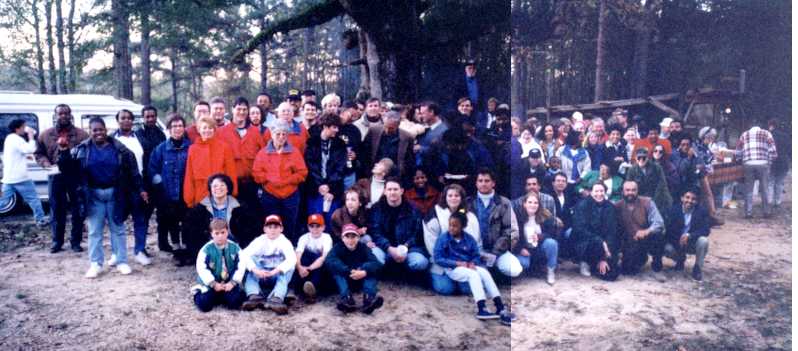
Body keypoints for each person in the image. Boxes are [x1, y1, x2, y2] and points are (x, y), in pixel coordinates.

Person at [59, 117, 142, 278]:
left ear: (106, 130)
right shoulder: (82, 149)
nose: (98, 133)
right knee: (94, 231)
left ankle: (122, 261)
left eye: (101, 129)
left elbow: (132, 170)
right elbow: (67, 169)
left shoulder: (119, 148)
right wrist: (63, 151)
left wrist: (139, 189)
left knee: (117, 229)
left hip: (115, 194)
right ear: (90, 132)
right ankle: (96, 263)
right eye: (94, 130)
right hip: (93, 196)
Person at [433, 212, 511, 323]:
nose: (451, 228)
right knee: (473, 275)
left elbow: (475, 255)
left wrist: (473, 263)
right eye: (450, 225)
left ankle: (500, 307)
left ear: (463, 227)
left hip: (468, 266)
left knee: (484, 272)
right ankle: (481, 308)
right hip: (453, 268)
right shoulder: (443, 238)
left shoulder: (469, 239)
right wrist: (457, 263)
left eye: (455, 226)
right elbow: (438, 258)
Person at [35, 104, 89, 253]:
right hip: (55, 176)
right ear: (55, 116)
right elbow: (39, 153)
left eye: (66, 113)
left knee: (78, 210)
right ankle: (57, 242)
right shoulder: (45, 135)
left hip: (75, 176)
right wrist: (45, 163)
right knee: (57, 209)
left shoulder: (82, 135)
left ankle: (76, 242)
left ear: (70, 115)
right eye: (60, 114)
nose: (63, 116)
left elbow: (87, 154)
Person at [181, 174, 258, 266]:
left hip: (235, 245)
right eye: (215, 186)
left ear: (228, 188)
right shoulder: (200, 208)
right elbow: (191, 233)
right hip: (210, 246)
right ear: (210, 189)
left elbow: (251, 231)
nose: (218, 188)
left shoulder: (241, 207)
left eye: (222, 185)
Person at [252, 120, 308, 243]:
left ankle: (289, 249)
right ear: (271, 134)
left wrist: (288, 180)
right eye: (278, 134)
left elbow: (302, 172)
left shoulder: (294, 152)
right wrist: (269, 179)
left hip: (290, 195)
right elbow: (256, 173)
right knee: (271, 224)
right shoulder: (263, 153)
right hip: (270, 195)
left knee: (289, 225)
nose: (281, 137)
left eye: (284, 134)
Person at [112, 109, 154, 266]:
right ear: (118, 120)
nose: (126, 121)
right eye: (123, 118)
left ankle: (140, 251)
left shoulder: (140, 138)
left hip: (139, 185)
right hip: (119, 185)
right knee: (117, 220)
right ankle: (117, 253)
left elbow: (148, 159)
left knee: (140, 219)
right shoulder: (111, 139)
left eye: (129, 118)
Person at [423, 184, 481, 295]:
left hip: (464, 262)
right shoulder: (434, 214)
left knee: (467, 290)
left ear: (462, 198)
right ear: (444, 197)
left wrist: (471, 262)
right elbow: (431, 245)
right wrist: (452, 263)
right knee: (446, 289)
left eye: (457, 195)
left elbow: (476, 241)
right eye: (450, 195)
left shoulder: (470, 216)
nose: (453, 198)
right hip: (442, 262)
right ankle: (432, 277)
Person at [148, 114, 191, 255]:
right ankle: (176, 249)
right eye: (174, 126)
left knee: (186, 221)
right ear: (168, 129)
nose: (177, 129)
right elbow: (152, 170)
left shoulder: (191, 148)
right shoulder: (161, 149)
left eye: (180, 126)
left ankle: (186, 248)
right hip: (167, 194)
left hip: (186, 194)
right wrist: (161, 187)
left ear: (184, 128)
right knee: (172, 221)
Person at [368, 178, 429, 272]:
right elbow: (375, 232)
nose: (392, 192)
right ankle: (387, 269)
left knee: (420, 262)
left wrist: (405, 247)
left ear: (401, 191)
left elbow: (417, 233)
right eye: (389, 189)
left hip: (408, 250)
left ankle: (403, 271)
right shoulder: (376, 208)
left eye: (395, 189)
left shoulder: (413, 209)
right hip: (384, 249)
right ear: (384, 191)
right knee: (373, 257)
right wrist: (388, 247)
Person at [468, 169, 520, 279]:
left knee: (515, 269)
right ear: (476, 183)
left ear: (493, 183)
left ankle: (495, 271)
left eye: (487, 181)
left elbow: (511, 230)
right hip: (475, 250)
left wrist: (495, 252)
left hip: (497, 250)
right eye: (480, 180)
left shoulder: (504, 202)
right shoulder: (467, 202)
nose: (483, 184)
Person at [240, 215, 297, 314]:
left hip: (276, 274)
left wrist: (275, 271)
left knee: (289, 267)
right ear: (264, 229)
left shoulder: (284, 241)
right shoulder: (260, 240)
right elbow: (244, 254)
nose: (272, 230)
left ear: (281, 229)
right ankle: (254, 295)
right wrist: (256, 270)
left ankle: (277, 297)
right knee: (251, 263)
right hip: (261, 274)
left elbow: (292, 259)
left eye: (276, 227)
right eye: (269, 227)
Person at [217, 97, 266, 208]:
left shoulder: (255, 132)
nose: (242, 112)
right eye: (239, 109)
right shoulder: (221, 133)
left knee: (252, 215)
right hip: (229, 183)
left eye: (244, 109)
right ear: (233, 109)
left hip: (251, 183)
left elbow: (263, 157)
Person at [325, 223, 384, 314]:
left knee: (371, 272)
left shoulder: (363, 248)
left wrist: (364, 271)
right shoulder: (338, 247)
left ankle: (369, 299)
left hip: (360, 278)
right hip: (346, 278)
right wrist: (347, 270)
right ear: (342, 238)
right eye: (347, 237)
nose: (350, 240)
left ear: (358, 238)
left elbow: (376, 263)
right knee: (336, 272)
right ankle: (347, 299)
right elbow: (329, 260)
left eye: (353, 236)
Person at [615, 181, 666, 281]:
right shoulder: (617, 206)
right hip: (628, 242)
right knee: (629, 271)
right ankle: (639, 259)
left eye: (633, 190)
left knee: (658, 234)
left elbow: (659, 222)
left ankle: (657, 269)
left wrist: (646, 231)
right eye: (627, 190)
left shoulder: (648, 202)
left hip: (645, 239)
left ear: (638, 191)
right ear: (623, 191)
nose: (630, 193)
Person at [183, 116, 238, 208]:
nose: (207, 130)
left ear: (214, 130)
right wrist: (189, 198)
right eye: (204, 128)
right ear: (199, 130)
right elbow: (189, 175)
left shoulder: (224, 147)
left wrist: (233, 192)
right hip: (200, 194)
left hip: (221, 194)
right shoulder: (193, 149)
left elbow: (231, 172)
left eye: (210, 128)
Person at [191, 219, 245, 312]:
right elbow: (201, 268)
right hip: (212, 283)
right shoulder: (206, 250)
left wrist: (233, 282)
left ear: (227, 232)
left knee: (235, 302)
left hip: (228, 283)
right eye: (216, 233)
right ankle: (200, 294)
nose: (220, 236)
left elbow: (241, 266)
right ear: (211, 234)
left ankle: (222, 297)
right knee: (205, 305)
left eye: (223, 232)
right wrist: (213, 283)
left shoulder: (235, 248)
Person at [1, 119, 47, 226]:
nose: (25, 129)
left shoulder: (10, 138)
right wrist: (31, 136)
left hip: (9, 177)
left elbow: (18, 153)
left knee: (3, 200)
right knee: (33, 199)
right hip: (20, 178)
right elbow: (30, 149)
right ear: (18, 128)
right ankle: (40, 220)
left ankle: (40, 218)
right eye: (24, 127)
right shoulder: (16, 139)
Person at [572, 183, 620, 281]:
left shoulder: (610, 207)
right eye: (596, 191)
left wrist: (604, 258)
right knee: (596, 244)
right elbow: (579, 229)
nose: (599, 194)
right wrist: (600, 242)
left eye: (601, 191)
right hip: (586, 242)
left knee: (613, 273)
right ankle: (585, 262)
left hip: (605, 244)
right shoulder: (582, 205)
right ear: (591, 192)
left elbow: (612, 230)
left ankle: (597, 264)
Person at [304, 112, 347, 220]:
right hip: (315, 188)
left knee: (331, 219)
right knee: (314, 218)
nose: (337, 130)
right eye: (334, 127)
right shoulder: (312, 142)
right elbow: (310, 165)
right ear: (325, 126)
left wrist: (329, 186)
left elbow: (340, 168)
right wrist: (320, 185)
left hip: (333, 189)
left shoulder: (340, 144)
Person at [664, 188, 711, 281]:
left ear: (697, 201)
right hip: (677, 241)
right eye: (687, 197)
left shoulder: (702, 211)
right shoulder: (673, 210)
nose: (690, 201)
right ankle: (680, 260)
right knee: (667, 249)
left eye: (693, 199)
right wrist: (679, 240)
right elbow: (669, 230)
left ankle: (697, 268)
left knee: (703, 241)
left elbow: (706, 230)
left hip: (692, 242)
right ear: (682, 198)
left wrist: (689, 235)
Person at [513, 193, 559, 285]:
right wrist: (519, 249)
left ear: (539, 205)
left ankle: (550, 271)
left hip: (539, 248)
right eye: (530, 202)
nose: (533, 205)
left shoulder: (545, 215)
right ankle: (531, 270)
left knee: (551, 243)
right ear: (524, 204)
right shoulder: (517, 216)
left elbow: (552, 233)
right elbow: (513, 236)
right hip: (525, 249)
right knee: (524, 264)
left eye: (536, 203)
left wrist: (540, 236)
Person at [735, 121, 777, 218]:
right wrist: (769, 161)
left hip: (748, 163)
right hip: (763, 163)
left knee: (748, 188)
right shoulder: (767, 133)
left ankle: (748, 213)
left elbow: (738, 151)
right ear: (760, 126)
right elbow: (773, 150)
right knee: (764, 188)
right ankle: (766, 212)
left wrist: (740, 159)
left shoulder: (744, 134)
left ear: (750, 127)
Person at [362, 111, 415, 184]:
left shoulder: (407, 137)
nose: (387, 130)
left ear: (398, 125)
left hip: (395, 176)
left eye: (391, 128)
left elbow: (409, 159)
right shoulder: (374, 130)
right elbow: (365, 152)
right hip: (375, 174)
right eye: (385, 126)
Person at [294, 214, 333, 304]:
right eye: (312, 226)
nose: (315, 229)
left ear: (323, 227)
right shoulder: (304, 237)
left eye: (318, 226)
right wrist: (300, 267)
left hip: (318, 265)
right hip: (306, 264)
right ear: (308, 227)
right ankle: (302, 289)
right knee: (302, 259)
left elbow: (323, 257)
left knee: (321, 261)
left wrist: (309, 268)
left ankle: (313, 288)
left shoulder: (326, 237)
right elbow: (298, 254)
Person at [625, 148, 673, 220]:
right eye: (639, 158)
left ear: (647, 158)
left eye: (643, 158)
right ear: (635, 158)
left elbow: (662, 185)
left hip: (656, 196)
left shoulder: (657, 168)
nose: (641, 160)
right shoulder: (632, 170)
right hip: (639, 198)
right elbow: (628, 185)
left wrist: (653, 201)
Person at [767, 118, 790, 210]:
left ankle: (769, 201)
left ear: (771, 126)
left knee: (770, 182)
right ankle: (777, 201)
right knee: (780, 183)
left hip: (773, 161)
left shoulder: (770, 136)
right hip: (784, 161)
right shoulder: (786, 136)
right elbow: (790, 149)